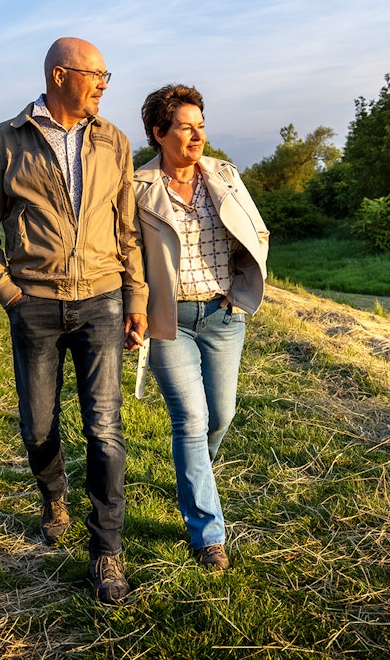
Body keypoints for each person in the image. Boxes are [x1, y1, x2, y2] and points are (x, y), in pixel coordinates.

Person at [0, 37, 148, 604]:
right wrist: (5, 289)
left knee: (105, 428)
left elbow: (127, 227)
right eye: (97, 74)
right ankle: (53, 497)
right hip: (34, 303)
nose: (104, 84)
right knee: (39, 425)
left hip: (102, 299)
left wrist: (135, 297)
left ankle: (107, 552)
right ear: (61, 74)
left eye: (106, 76)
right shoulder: (4, 140)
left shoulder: (113, 140)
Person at [132, 84, 269, 571]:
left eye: (201, 125)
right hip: (170, 321)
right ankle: (208, 534)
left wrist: (241, 287)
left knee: (222, 416)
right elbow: (128, 257)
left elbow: (255, 230)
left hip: (223, 316)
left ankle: (195, 476)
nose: (197, 135)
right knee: (189, 421)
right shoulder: (137, 188)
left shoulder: (224, 175)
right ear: (158, 133)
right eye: (185, 127)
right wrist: (136, 308)